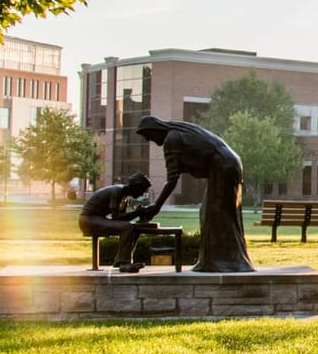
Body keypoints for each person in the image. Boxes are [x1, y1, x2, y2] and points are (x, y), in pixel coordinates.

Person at [135, 115, 254, 273]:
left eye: (148, 136)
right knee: (211, 213)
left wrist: (156, 206)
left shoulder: (172, 139)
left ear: (155, 130)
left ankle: (226, 263)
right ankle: (220, 262)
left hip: (223, 166)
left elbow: (172, 179)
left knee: (216, 214)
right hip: (229, 164)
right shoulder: (179, 131)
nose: (149, 140)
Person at [79, 173, 160, 273]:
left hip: (97, 219)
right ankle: (125, 263)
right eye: (142, 191)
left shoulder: (124, 195)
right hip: (88, 220)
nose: (142, 194)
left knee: (133, 227)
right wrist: (137, 212)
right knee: (127, 227)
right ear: (135, 187)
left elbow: (122, 219)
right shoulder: (117, 192)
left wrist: (138, 213)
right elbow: (116, 218)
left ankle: (120, 260)